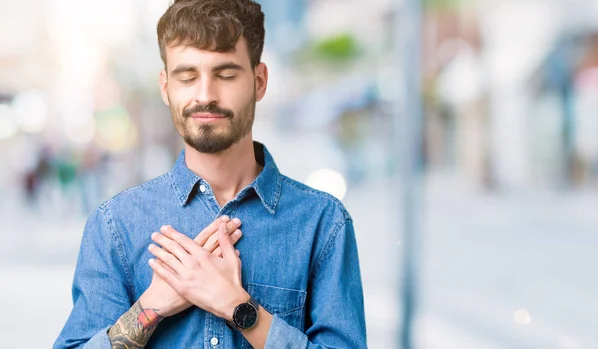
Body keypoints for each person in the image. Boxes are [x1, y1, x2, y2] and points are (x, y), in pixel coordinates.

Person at [54, 0, 367, 348]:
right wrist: (150, 307)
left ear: (259, 81)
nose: (205, 95)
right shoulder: (115, 225)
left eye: (226, 75)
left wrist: (237, 307)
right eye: (187, 77)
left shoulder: (322, 223)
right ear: (165, 87)